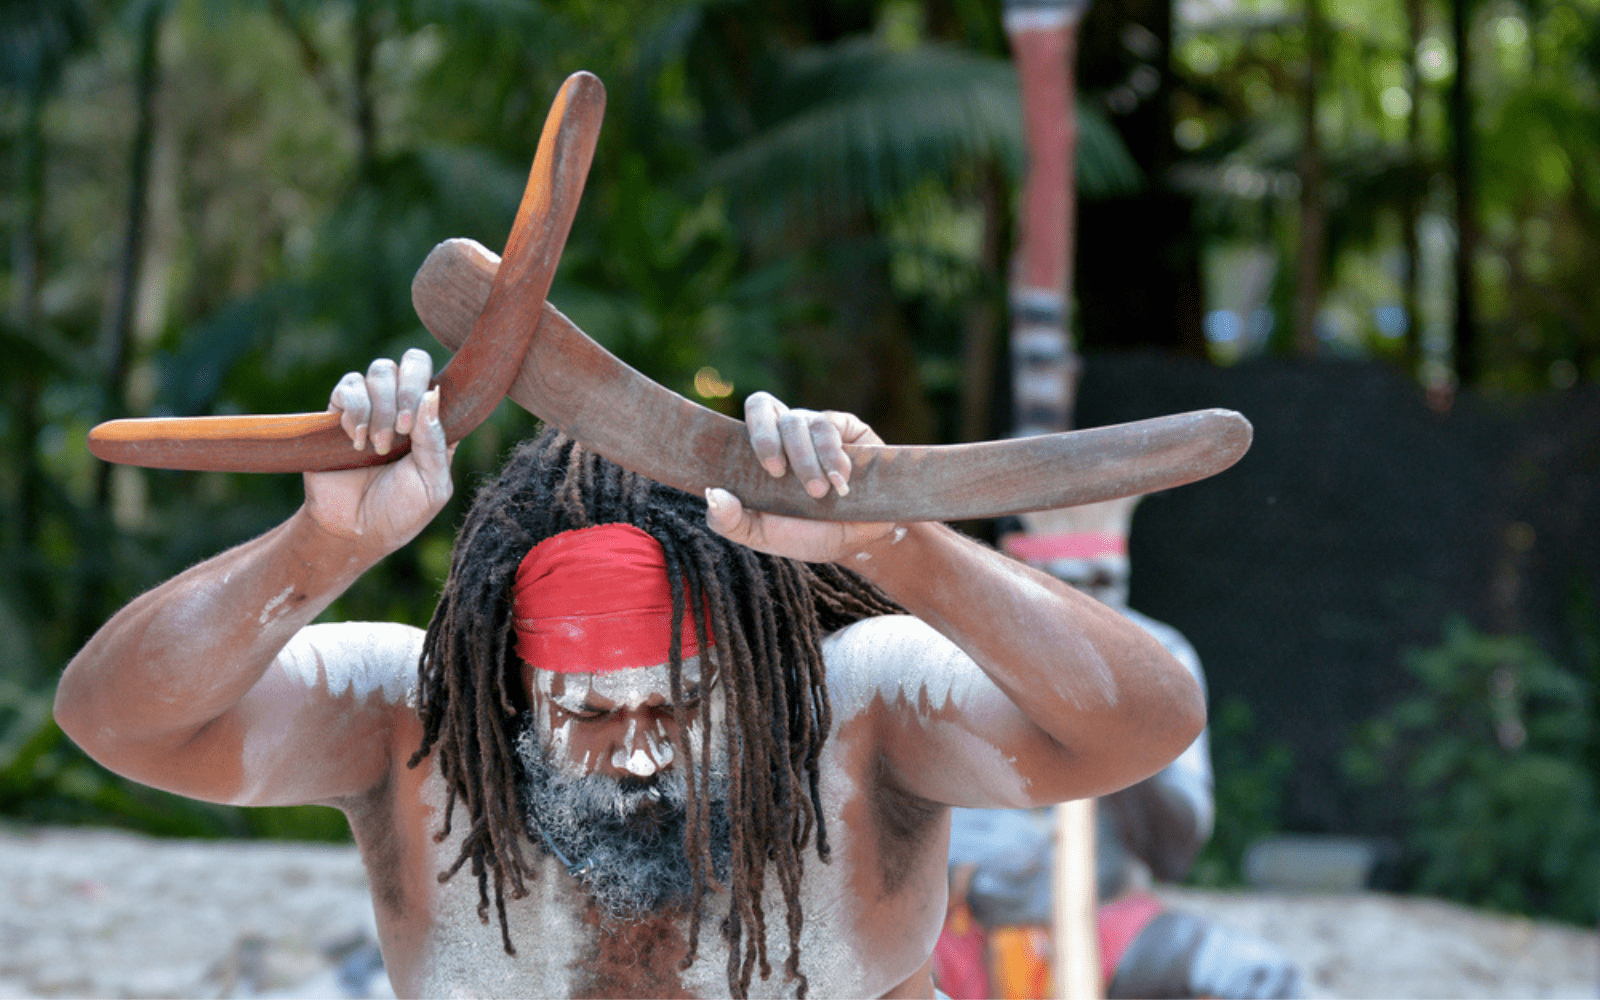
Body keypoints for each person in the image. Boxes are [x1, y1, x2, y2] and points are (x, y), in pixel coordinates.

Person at [54, 349, 1205, 999]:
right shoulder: (415, 729)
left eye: (684, 703)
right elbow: (114, 720)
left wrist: (893, 544)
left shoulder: (852, 716)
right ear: (507, 689)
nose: (643, 749)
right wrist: (327, 546)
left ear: (757, 679)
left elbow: (1143, 727)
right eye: (588, 715)